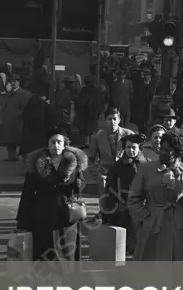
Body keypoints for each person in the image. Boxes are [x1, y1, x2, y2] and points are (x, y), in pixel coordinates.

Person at [15, 125, 89, 261]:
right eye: (52, 142)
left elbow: (81, 183)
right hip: (43, 215)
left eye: (59, 142)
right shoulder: (37, 163)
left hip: (66, 215)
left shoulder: (73, 162)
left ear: (65, 144)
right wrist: (22, 221)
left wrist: (79, 184)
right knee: (45, 253)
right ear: (47, 145)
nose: (56, 145)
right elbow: (27, 193)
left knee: (66, 253)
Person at [127, 131, 183, 261]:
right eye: (161, 148)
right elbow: (133, 199)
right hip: (152, 226)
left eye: (167, 150)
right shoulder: (145, 169)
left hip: (178, 227)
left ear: (177, 153)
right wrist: (146, 217)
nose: (162, 152)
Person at [101, 133, 144, 254]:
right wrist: (108, 209)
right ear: (124, 149)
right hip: (122, 206)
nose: (131, 150)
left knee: (137, 238)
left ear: (139, 148)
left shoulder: (144, 165)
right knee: (122, 239)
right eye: (128, 147)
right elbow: (109, 188)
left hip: (140, 206)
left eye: (134, 147)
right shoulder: (116, 166)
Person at [87, 107, 134, 201]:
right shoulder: (98, 137)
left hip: (125, 170)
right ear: (105, 120)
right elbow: (90, 158)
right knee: (105, 196)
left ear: (119, 120)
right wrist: (96, 170)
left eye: (114, 119)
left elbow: (138, 155)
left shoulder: (129, 134)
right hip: (105, 171)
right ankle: (104, 211)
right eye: (109, 119)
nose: (112, 121)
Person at [2, 78, 32, 161]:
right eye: (11, 82)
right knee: (9, 139)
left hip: (18, 121)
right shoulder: (8, 93)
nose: (12, 83)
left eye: (14, 81)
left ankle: (24, 156)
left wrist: (18, 114)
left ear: (18, 82)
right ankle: (12, 156)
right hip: (9, 120)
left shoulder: (24, 94)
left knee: (20, 138)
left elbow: (26, 107)